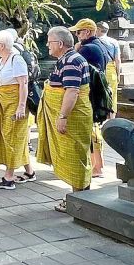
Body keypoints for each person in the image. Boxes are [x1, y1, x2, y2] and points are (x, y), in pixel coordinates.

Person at [37, 27, 93, 212]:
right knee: (75, 155)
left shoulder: (70, 60)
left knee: (75, 157)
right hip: (74, 114)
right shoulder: (67, 59)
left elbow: (72, 91)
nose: (47, 45)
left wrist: (62, 116)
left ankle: (79, 200)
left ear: (60, 44)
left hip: (74, 116)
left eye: (49, 41)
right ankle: (79, 197)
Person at [0, 29, 34, 189]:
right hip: (3, 101)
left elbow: (23, 83)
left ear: (1, 45)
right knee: (9, 134)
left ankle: (9, 177)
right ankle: (29, 171)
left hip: (14, 103)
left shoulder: (16, 59)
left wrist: (21, 106)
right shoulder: (3, 60)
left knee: (11, 136)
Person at [70, 18, 111, 178]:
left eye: (78, 32)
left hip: (90, 94)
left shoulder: (87, 49)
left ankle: (95, 166)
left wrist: (76, 50)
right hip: (97, 93)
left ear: (87, 32)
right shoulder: (100, 45)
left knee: (90, 131)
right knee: (93, 129)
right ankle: (97, 165)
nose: (77, 35)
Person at [96, 21, 122, 112]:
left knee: (99, 93)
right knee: (113, 94)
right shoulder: (114, 42)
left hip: (98, 69)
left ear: (98, 29)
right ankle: (112, 116)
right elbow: (117, 59)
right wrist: (118, 73)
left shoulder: (95, 41)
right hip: (111, 69)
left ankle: (101, 116)